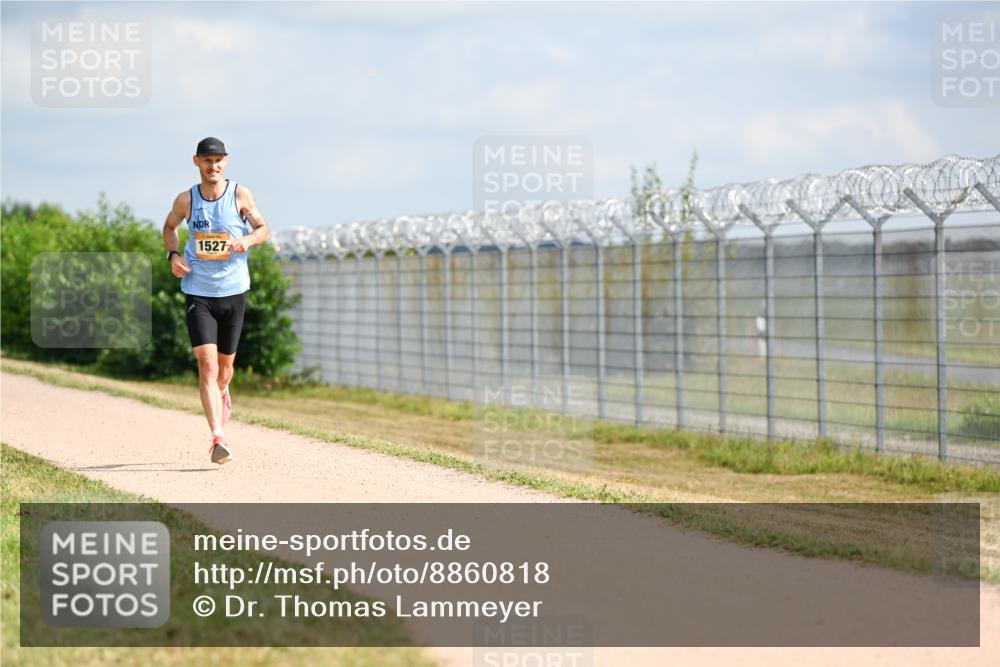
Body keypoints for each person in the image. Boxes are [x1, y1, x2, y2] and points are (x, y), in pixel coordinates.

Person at [162, 137, 270, 464]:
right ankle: (217, 437)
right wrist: (174, 255)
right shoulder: (186, 200)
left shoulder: (240, 194)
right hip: (199, 291)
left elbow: (264, 229)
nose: (214, 166)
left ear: (226, 162)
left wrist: (247, 241)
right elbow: (169, 227)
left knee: (225, 371)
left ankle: (224, 392)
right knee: (207, 365)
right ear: (197, 162)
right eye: (207, 161)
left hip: (234, 292)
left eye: (219, 161)